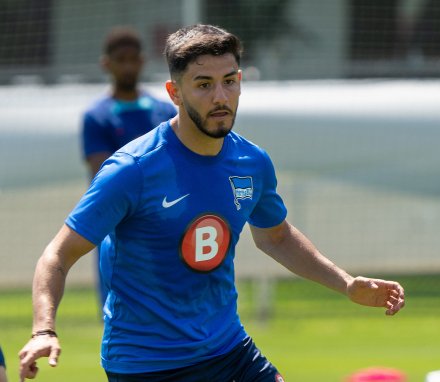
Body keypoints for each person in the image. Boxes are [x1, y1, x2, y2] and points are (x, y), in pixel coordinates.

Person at [18, 24, 405, 382]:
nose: (221, 97)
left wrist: (348, 284)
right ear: (174, 92)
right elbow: (57, 256)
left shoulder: (251, 162)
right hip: (147, 365)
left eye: (229, 81)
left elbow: (277, 238)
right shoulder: (132, 170)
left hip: (229, 349)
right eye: (203, 84)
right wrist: (43, 330)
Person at [81, 26, 177, 309]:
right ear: (106, 64)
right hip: (118, 224)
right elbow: (103, 174)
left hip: (166, 219)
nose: (127, 66)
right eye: (120, 59)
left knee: (173, 308)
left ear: (142, 61)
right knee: (120, 310)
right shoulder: (97, 116)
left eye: (132, 58)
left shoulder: (165, 112)